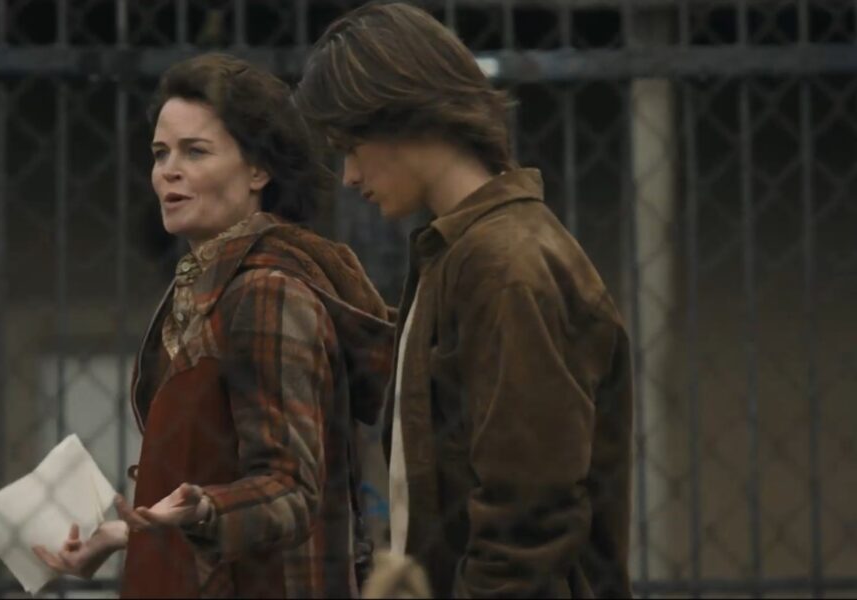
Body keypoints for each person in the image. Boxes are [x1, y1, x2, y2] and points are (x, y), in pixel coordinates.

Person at [294, 3, 635, 598]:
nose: (348, 175)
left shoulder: (505, 265)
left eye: (351, 144)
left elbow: (527, 523)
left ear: (400, 114)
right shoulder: (459, 253)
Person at [33, 52, 396, 598]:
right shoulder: (206, 289)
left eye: (195, 151)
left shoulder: (267, 291)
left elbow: (292, 490)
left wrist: (203, 508)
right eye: (160, 153)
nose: (168, 171)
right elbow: (215, 472)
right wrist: (123, 533)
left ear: (258, 170)